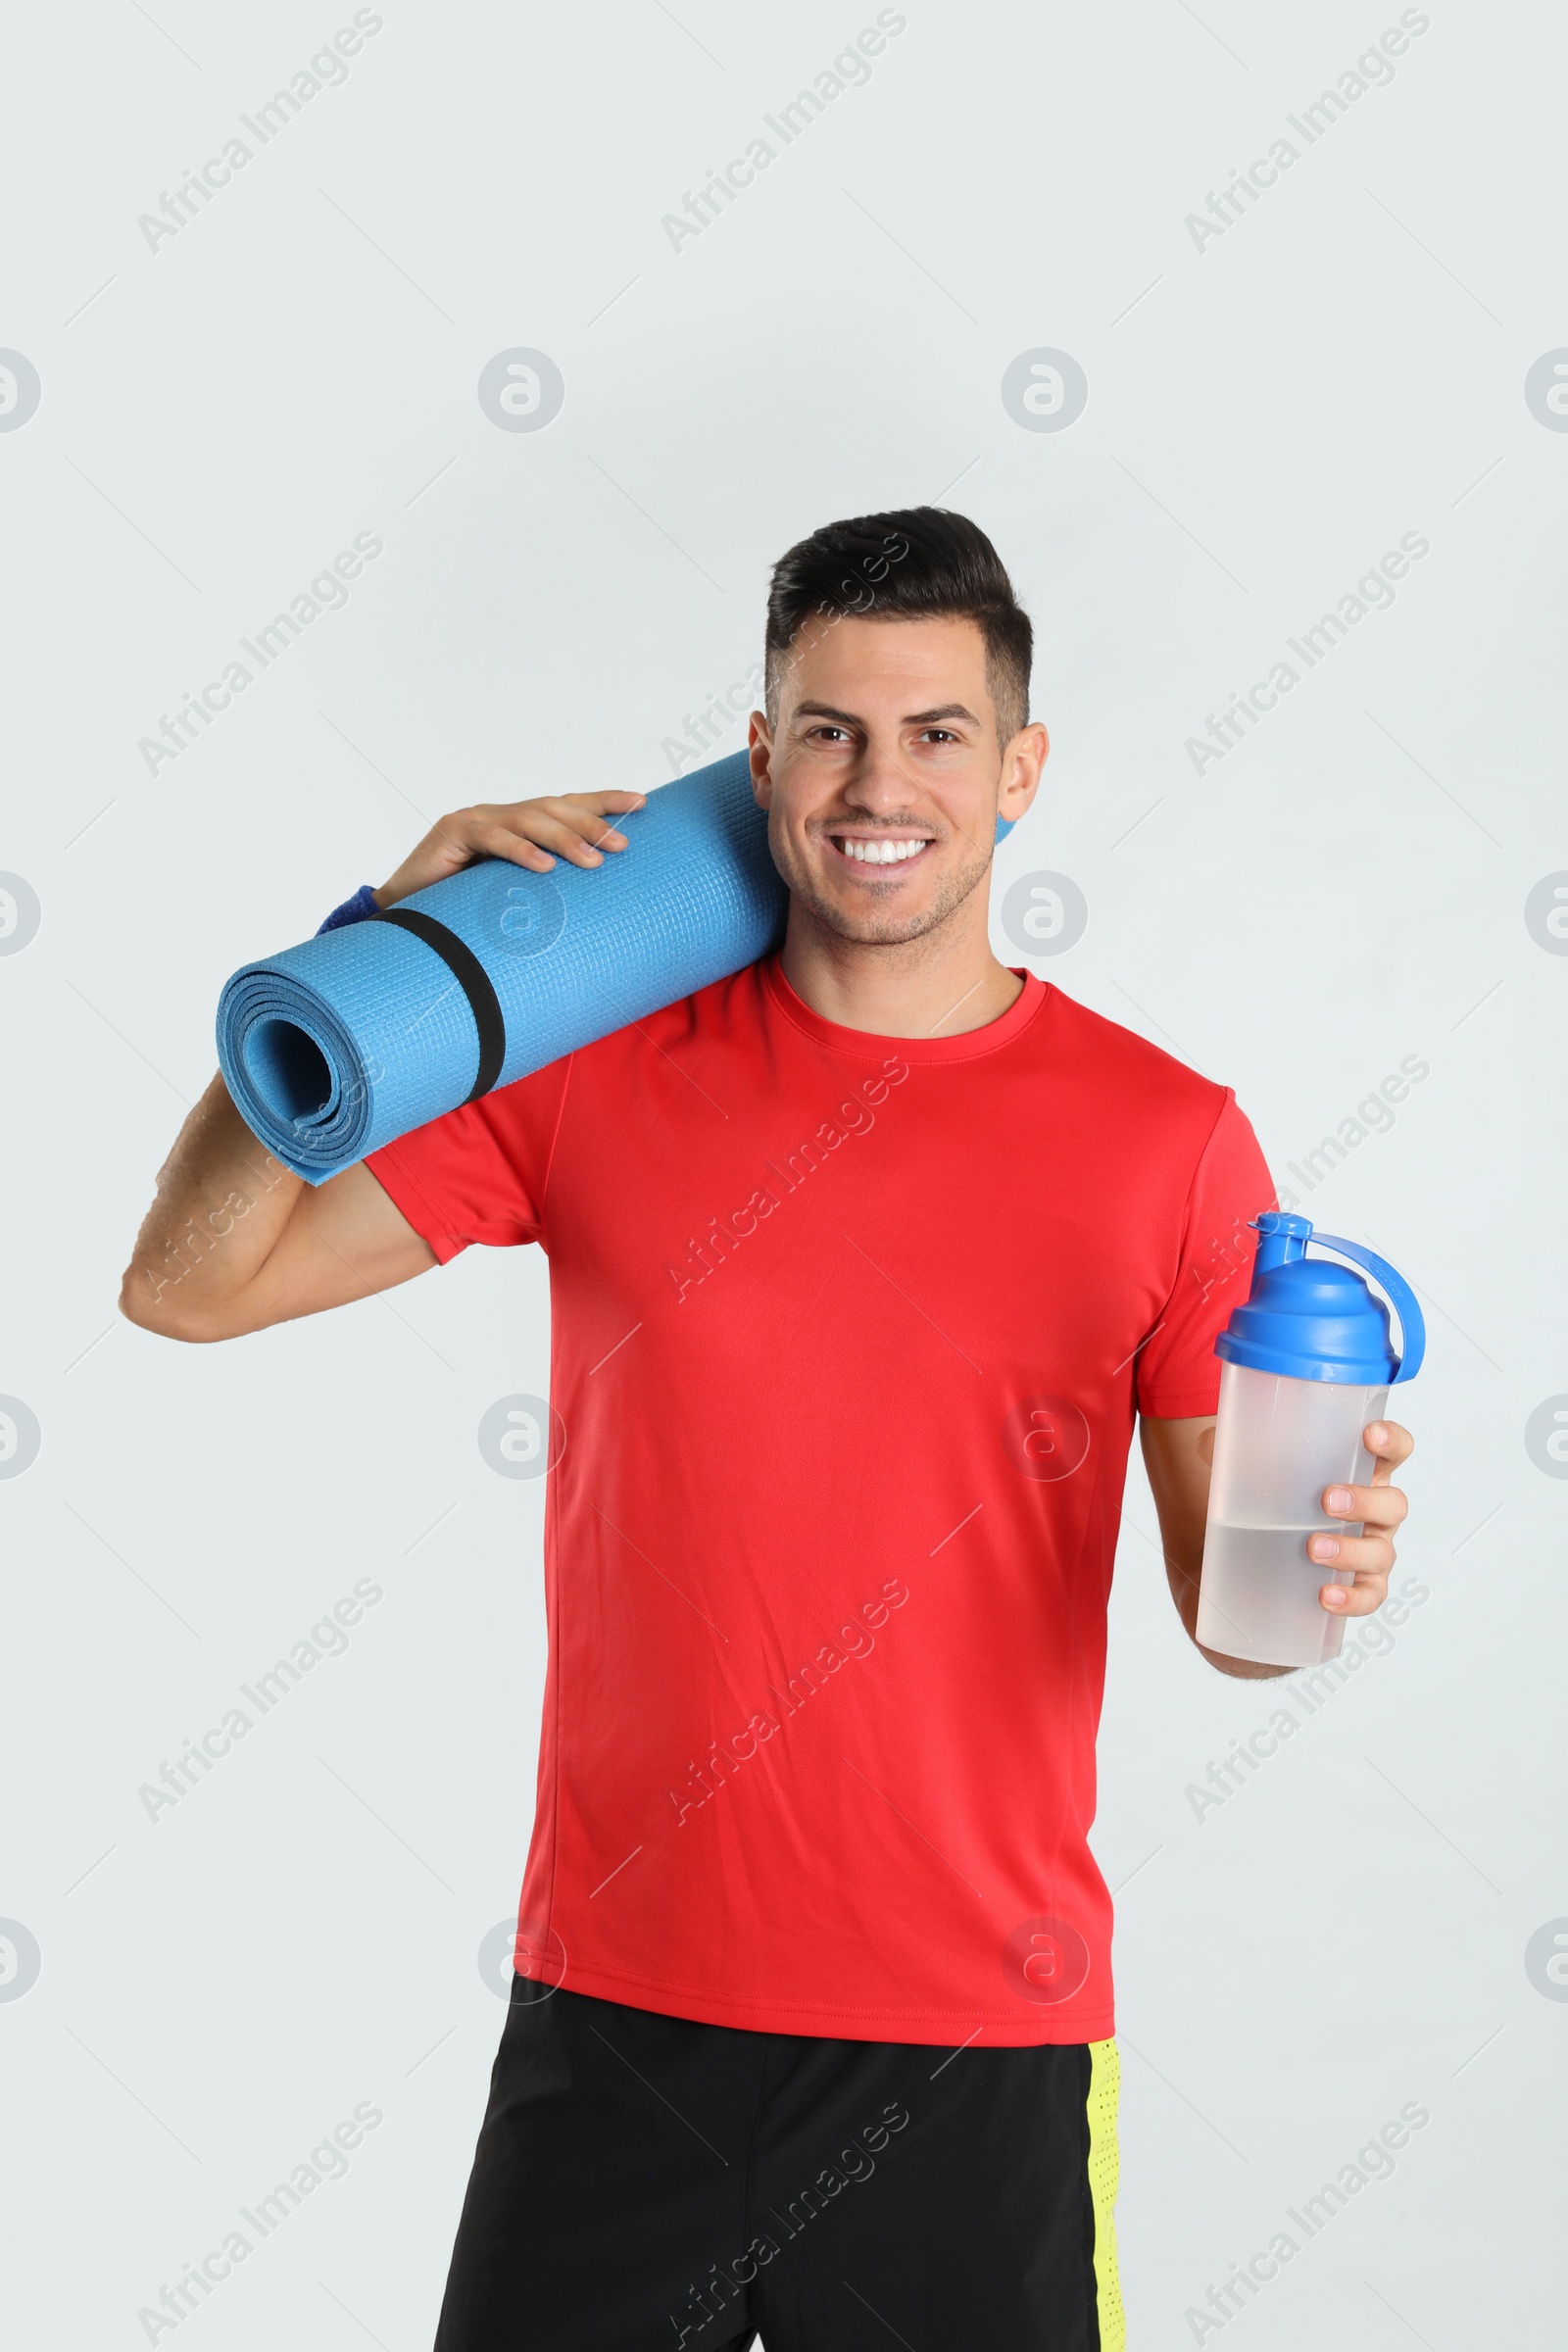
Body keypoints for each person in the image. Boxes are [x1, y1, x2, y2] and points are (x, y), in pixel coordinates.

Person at [122, 508, 1413, 2351]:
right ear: (761, 757)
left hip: (971, 2044)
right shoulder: (584, 1065)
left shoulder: (1170, 1142)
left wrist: (1327, 1560)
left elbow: (1241, 1619)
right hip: (616, 2023)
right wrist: (372, 961)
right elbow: (187, 1282)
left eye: (939, 732)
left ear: (1022, 768)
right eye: (829, 729)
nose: (880, 783)